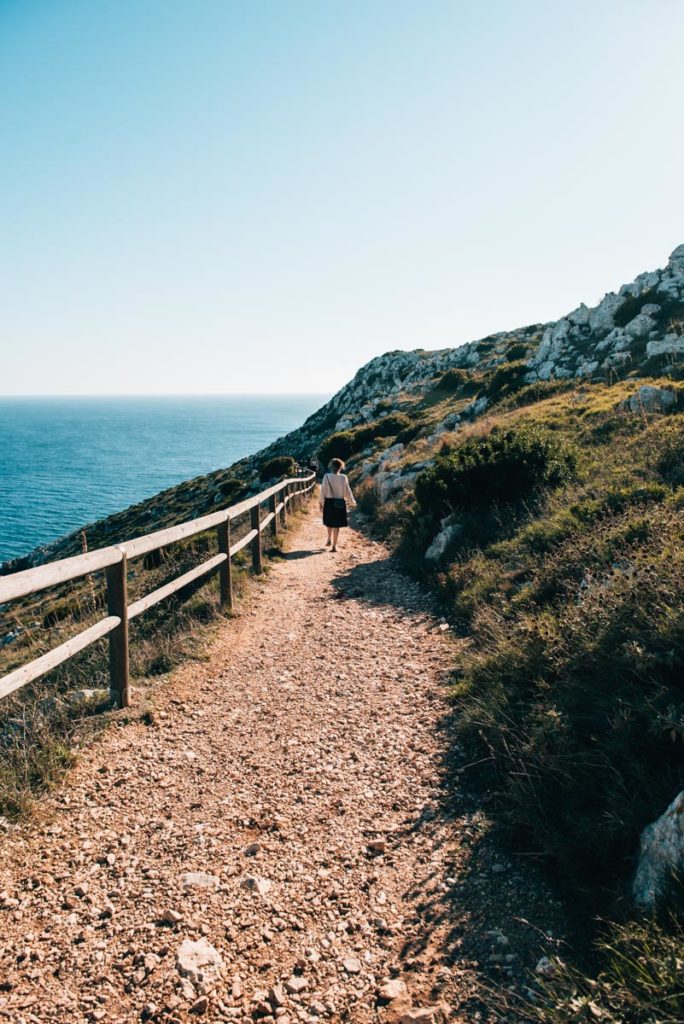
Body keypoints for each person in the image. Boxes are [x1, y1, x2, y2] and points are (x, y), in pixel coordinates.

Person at [319, 458, 356, 551]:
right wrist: (352, 502)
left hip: (329, 502)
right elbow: (348, 491)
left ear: (331, 467)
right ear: (340, 468)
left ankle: (328, 539)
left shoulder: (327, 476)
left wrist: (321, 502)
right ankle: (334, 546)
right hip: (340, 503)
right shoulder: (343, 477)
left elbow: (323, 490)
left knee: (329, 522)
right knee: (336, 525)